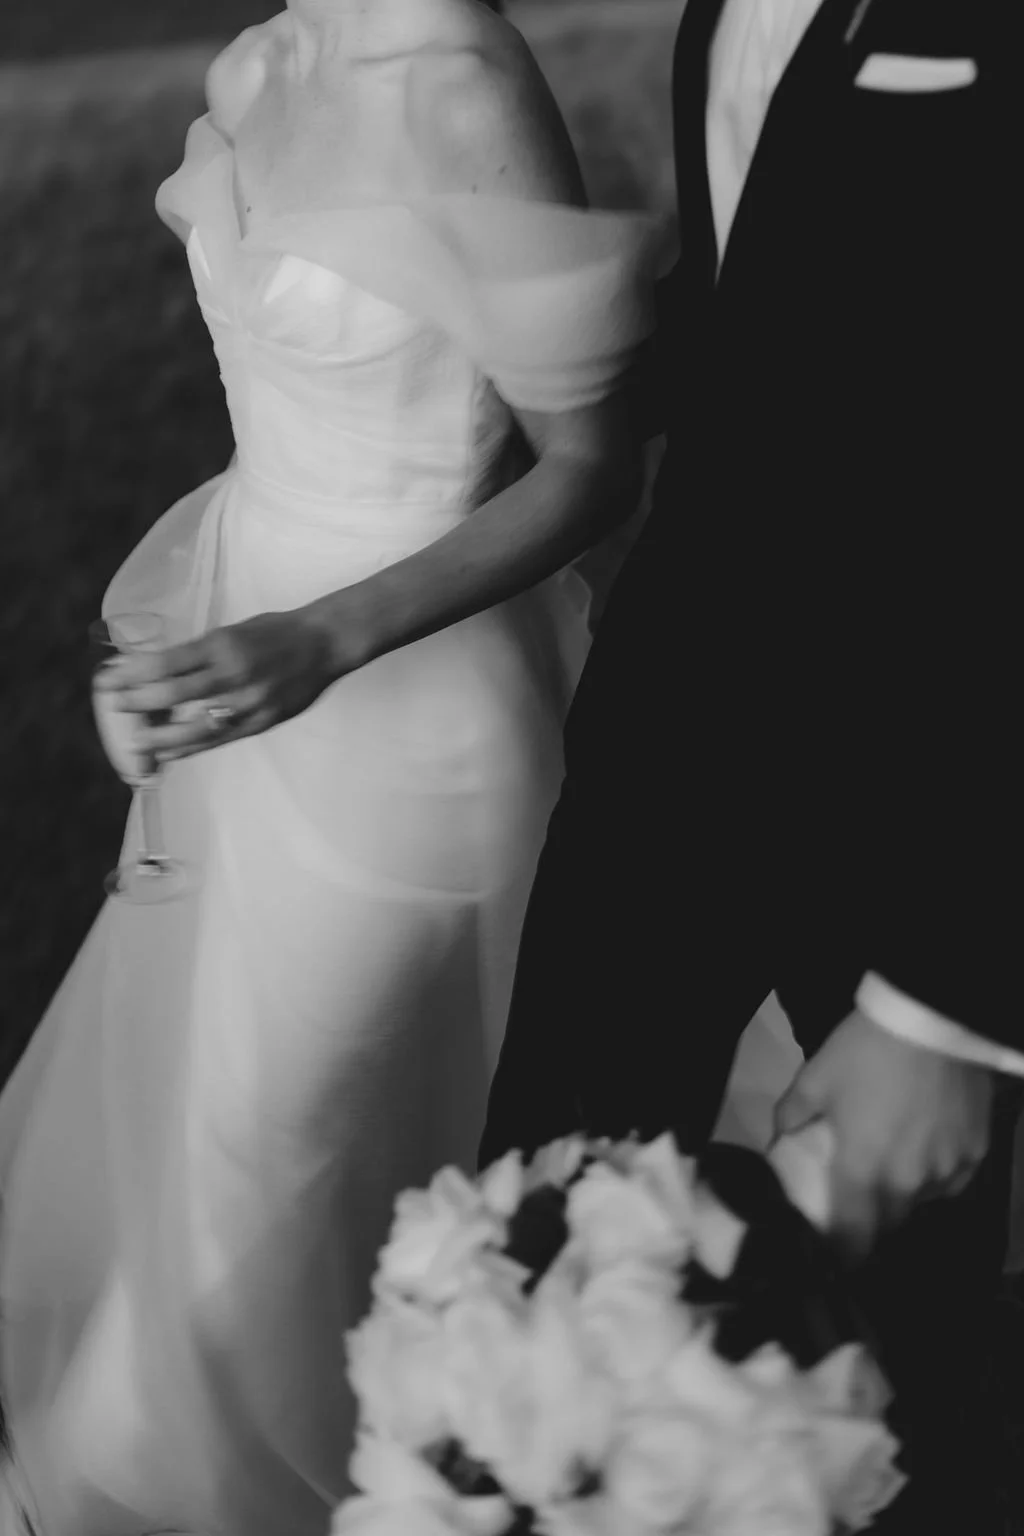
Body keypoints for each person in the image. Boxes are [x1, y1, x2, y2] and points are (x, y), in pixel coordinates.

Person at [0, 2, 661, 1530]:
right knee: (227, 1128)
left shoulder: (465, 84)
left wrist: (323, 640)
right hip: (247, 661)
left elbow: (589, 467)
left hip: (408, 715)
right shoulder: (265, 58)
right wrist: (214, 645)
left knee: (293, 1152)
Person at [481, 0, 1019, 1530]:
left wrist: (959, 1005)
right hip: (674, 746)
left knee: (877, 1380)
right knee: (535, 1257)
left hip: (927, 819)